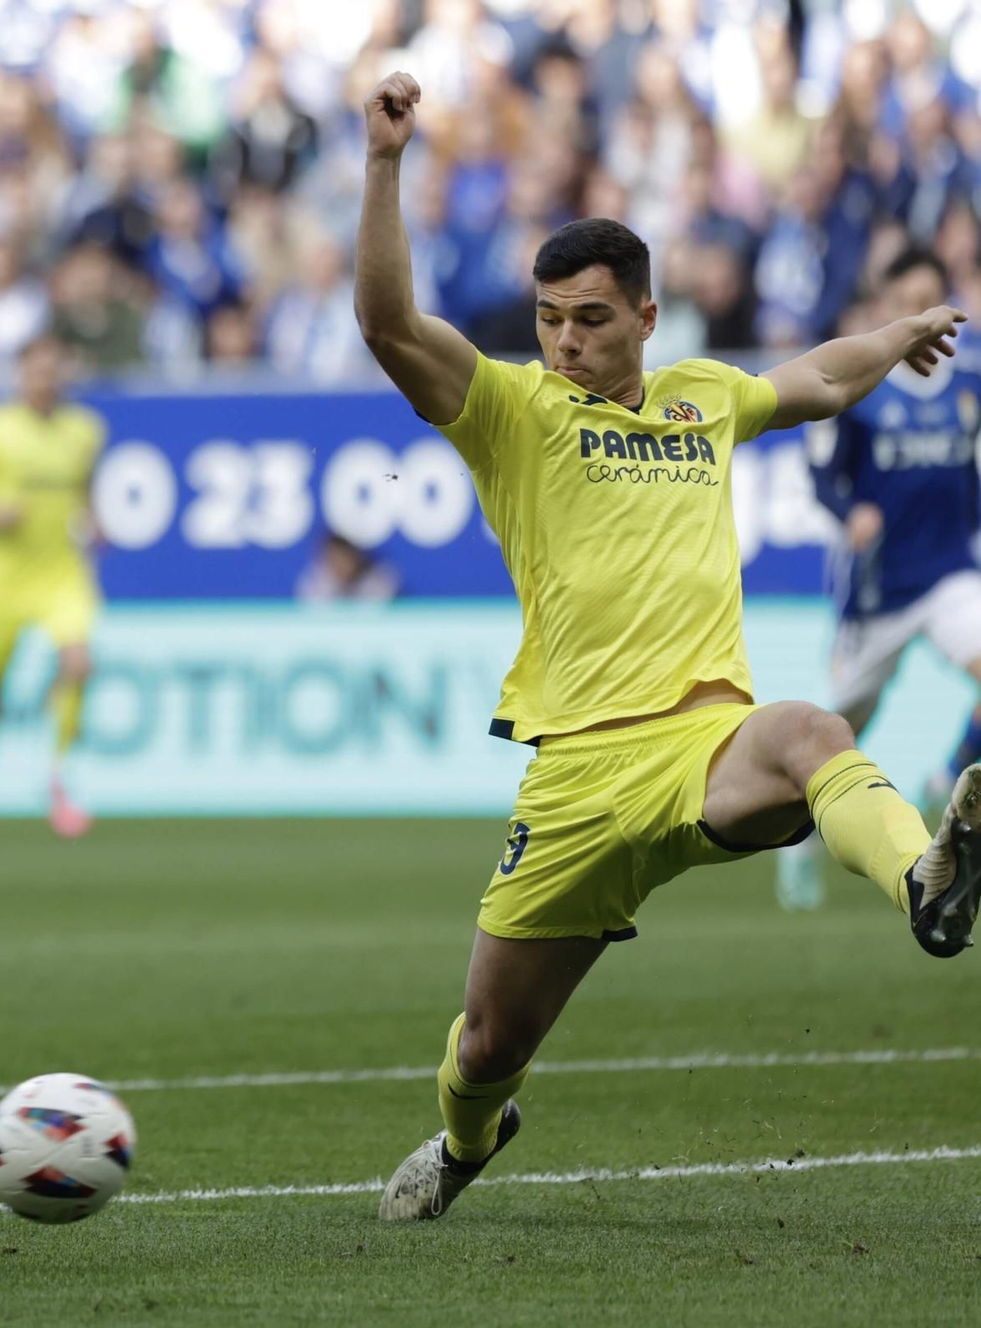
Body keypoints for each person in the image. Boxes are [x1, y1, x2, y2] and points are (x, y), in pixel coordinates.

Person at [351, 73, 981, 1223]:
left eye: (588, 318)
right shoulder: (511, 411)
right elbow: (389, 326)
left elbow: (821, 379)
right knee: (489, 1039)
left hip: (702, 743)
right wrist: (385, 164)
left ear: (645, 317)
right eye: (547, 318)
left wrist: (895, 330)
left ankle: (921, 884)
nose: (563, 342)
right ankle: (462, 1140)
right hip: (577, 770)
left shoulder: (702, 399)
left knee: (806, 729)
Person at [774, 249, 981, 909]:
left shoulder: (969, 381)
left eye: (933, 298)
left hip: (951, 575)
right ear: (892, 309)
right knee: (837, 731)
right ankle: (798, 839)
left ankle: (950, 773)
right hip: (880, 591)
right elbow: (821, 476)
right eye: (909, 300)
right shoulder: (866, 388)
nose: (925, 313)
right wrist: (849, 511)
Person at [0, 332, 106, 846]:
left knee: (78, 663)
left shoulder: (85, 430)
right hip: (4, 577)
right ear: (21, 374)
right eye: (37, 369)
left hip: (62, 573)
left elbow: (86, 493)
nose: (46, 379)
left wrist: (95, 523)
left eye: (55, 369)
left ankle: (57, 779)